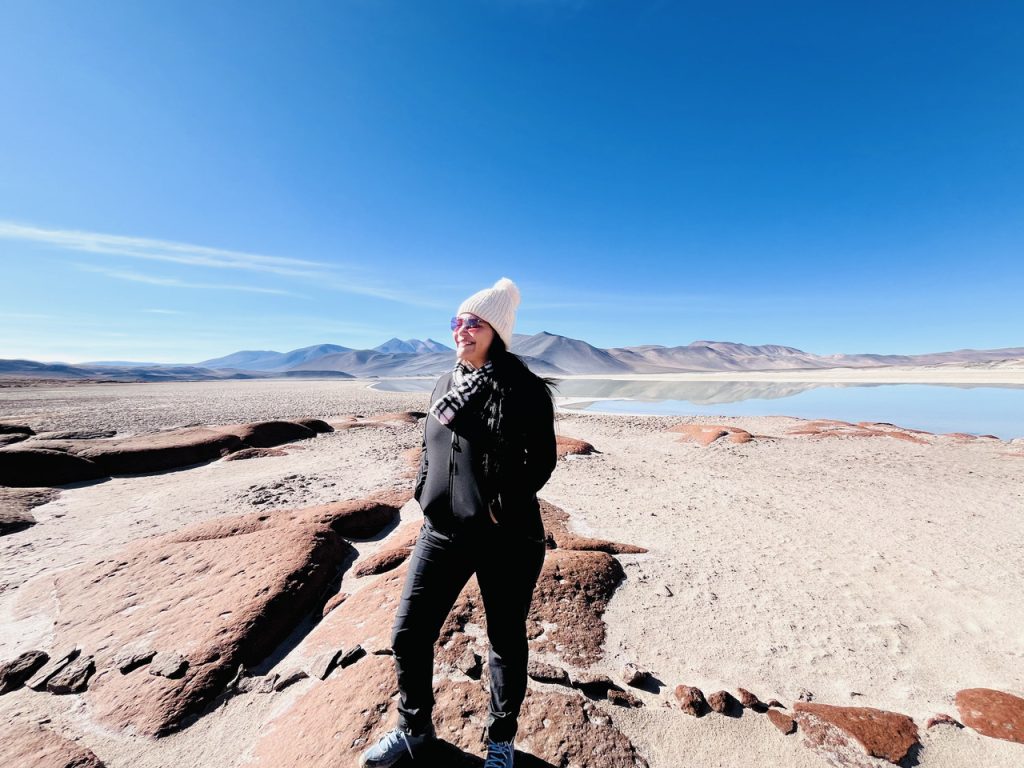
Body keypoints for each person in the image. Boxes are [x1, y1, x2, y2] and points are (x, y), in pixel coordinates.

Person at [359, 277, 557, 768]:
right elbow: (432, 446)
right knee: (408, 632)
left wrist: (503, 501)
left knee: (505, 641)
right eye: (456, 321)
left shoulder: (525, 389)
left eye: (473, 323)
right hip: (442, 532)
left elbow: (543, 461)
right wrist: (423, 489)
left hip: (505, 537)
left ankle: (501, 743)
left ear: (496, 332)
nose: (460, 331)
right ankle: (414, 730)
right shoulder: (445, 383)